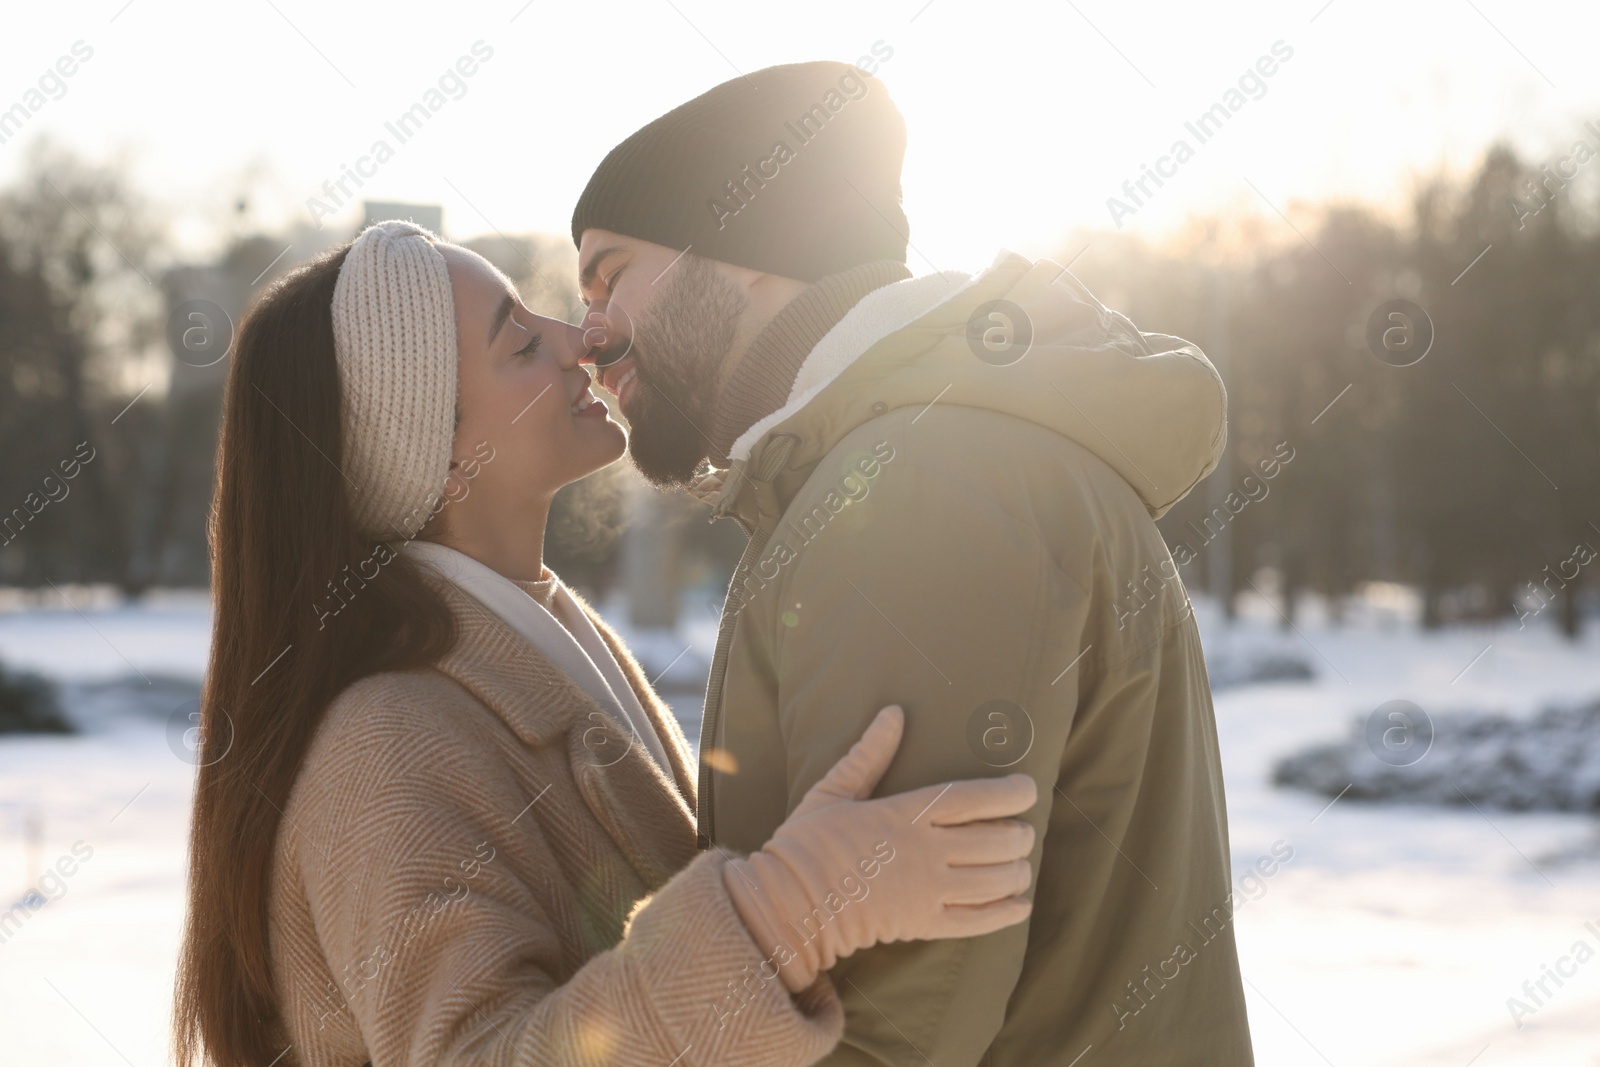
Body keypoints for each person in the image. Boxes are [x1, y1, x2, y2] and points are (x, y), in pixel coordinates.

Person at [171, 220, 1042, 1067]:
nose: (578, 340)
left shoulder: (544, 645)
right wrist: (789, 913)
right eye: (519, 344)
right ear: (436, 457)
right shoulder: (382, 745)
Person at [570, 61, 1253, 1064]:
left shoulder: (919, 484)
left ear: (752, 245)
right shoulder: (909, 463)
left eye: (609, 270)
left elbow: (884, 1025)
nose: (586, 332)